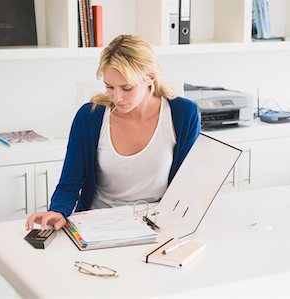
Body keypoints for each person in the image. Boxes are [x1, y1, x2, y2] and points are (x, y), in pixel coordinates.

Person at [26, 34, 200, 231]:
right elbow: (69, 183)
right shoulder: (89, 117)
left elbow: (186, 185)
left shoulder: (183, 114)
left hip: (157, 224)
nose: (118, 98)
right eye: (109, 87)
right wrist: (58, 211)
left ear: (150, 78)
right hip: (98, 224)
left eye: (127, 88)